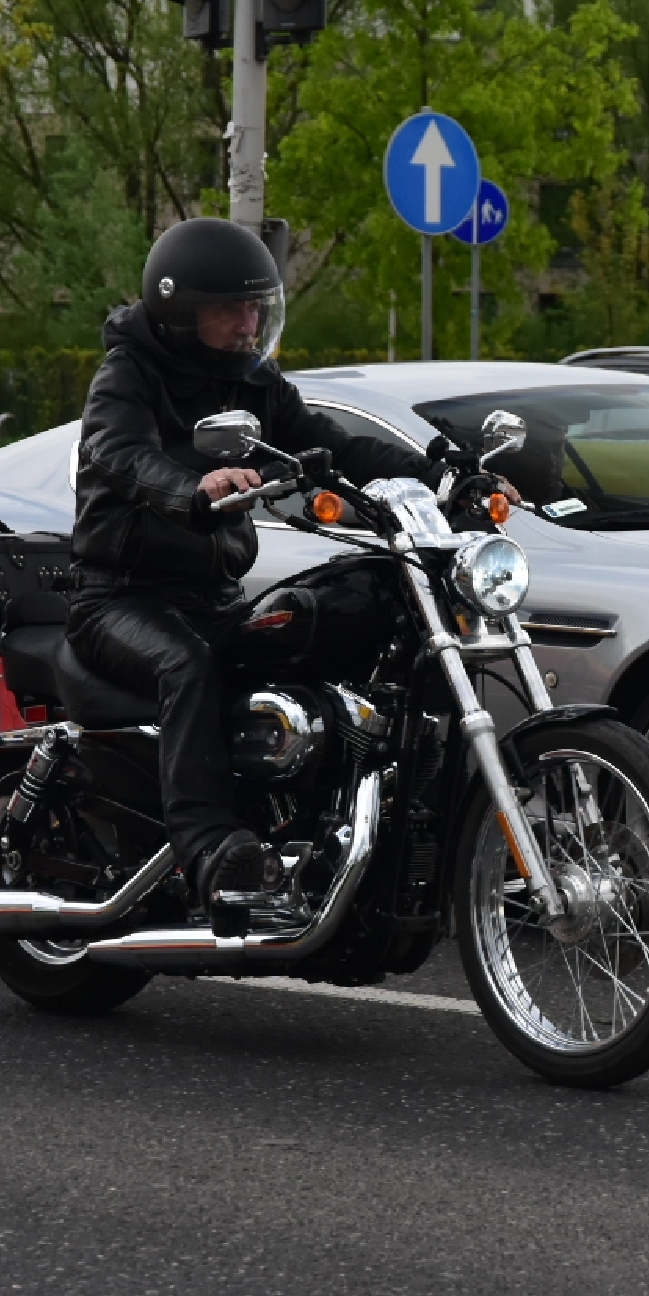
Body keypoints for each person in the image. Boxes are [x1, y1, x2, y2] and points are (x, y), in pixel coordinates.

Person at [68, 218, 430, 909]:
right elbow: (119, 453)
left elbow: (333, 443)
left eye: (258, 304)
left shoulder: (253, 381)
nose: (249, 320)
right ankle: (210, 848)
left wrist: (442, 471)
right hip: (120, 599)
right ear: (179, 312)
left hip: (214, 593)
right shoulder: (128, 374)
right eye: (231, 307)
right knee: (186, 664)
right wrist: (190, 487)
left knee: (308, 640)